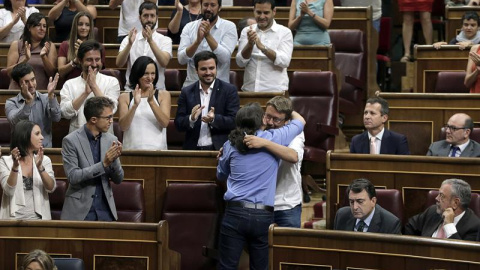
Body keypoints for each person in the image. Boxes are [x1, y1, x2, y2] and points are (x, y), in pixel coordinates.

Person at [217, 102, 305, 269]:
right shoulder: (274, 137)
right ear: (262, 120)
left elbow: (220, 175)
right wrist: (286, 108)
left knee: (226, 266)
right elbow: (300, 121)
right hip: (262, 215)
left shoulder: (229, 145)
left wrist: (223, 159)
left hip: (235, 212)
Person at [242, 96, 305, 227]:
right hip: (260, 204)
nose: (270, 122)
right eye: (268, 116)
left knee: (287, 246)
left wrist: (265, 143)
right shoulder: (259, 129)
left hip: (286, 205)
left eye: (276, 119)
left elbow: (293, 156)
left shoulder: (295, 133)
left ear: (287, 121)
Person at [61, 96, 124, 221]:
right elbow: (73, 176)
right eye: (108, 117)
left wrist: (114, 161)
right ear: (94, 119)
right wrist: (103, 164)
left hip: (105, 210)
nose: (111, 121)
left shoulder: (111, 139)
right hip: (80, 212)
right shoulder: (71, 141)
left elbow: (119, 179)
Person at [174, 51, 239, 150]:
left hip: (219, 149)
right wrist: (191, 118)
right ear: (196, 70)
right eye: (203, 69)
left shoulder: (229, 90)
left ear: (216, 68)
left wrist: (214, 119)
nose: (208, 73)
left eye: (211, 68)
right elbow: (178, 123)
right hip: (192, 149)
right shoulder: (186, 92)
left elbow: (234, 121)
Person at [60, 40, 120, 134]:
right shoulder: (69, 84)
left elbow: (112, 109)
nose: (94, 64)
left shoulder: (112, 82)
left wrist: (94, 86)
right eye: (89, 60)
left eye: (97, 60)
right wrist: (85, 93)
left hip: (105, 138)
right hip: (78, 138)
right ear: (80, 61)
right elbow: (65, 113)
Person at [0, 120, 56, 220]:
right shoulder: (5, 161)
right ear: (25, 136)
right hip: (12, 221)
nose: (42, 137)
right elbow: (9, 190)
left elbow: (51, 188)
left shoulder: (44, 160)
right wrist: (15, 167)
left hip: (39, 220)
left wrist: (40, 168)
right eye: (37, 134)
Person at [236, 0, 293, 92]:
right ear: (254, 10)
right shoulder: (246, 31)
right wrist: (250, 45)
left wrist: (263, 48)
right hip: (250, 89)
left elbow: (285, 62)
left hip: (275, 91)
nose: (262, 16)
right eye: (258, 12)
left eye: (266, 13)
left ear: (274, 11)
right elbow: (240, 62)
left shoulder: (285, 32)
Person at [177, 0, 237, 87]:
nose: (208, 9)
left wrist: (208, 36)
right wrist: (197, 42)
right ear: (201, 6)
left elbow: (225, 58)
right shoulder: (189, 27)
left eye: (213, 5)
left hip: (219, 87)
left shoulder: (229, 27)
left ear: (219, 7)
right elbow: (181, 59)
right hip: (192, 86)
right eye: (205, 5)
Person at [116, 2, 172, 91]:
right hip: (132, 90)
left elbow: (164, 62)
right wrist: (129, 44)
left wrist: (150, 41)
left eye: (152, 16)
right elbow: (119, 63)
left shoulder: (165, 40)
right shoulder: (129, 39)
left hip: (157, 90)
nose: (149, 19)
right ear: (139, 17)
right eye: (145, 15)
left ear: (157, 18)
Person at [118, 56, 171, 150]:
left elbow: (164, 123)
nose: (150, 78)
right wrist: (134, 105)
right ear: (138, 74)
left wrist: (151, 102)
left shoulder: (164, 95)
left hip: (158, 151)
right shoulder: (125, 97)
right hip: (131, 150)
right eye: (146, 74)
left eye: (153, 73)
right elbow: (123, 127)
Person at [405, 179, 480, 241]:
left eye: (441, 196)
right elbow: (409, 227)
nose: (436, 198)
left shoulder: (474, 227)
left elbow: (462, 255)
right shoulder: (432, 211)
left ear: (455, 203)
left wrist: (449, 225)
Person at [6, 63, 61, 148]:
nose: (31, 85)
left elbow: (56, 118)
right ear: (18, 84)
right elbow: (15, 121)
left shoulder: (46, 98)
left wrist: (51, 96)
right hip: (21, 151)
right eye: (26, 82)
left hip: (44, 150)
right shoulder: (11, 103)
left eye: (33, 80)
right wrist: (28, 102)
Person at [6, 13, 57, 91]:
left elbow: (52, 74)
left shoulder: (49, 46)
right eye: (38, 25)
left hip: (40, 93)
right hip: (18, 92)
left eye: (44, 26)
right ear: (29, 27)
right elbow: (9, 73)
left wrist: (44, 57)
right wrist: (25, 59)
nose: (42, 28)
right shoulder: (17, 45)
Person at [333, 178, 402, 234]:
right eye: (351, 202)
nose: (355, 207)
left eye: (360, 201)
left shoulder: (390, 223)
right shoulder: (341, 215)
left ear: (373, 201)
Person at [57, 12, 106, 81]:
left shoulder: (98, 47)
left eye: (87, 25)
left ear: (91, 28)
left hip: (93, 83)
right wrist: (75, 61)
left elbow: (100, 72)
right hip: (71, 86)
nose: (83, 27)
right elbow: (61, 72)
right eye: (80, 24)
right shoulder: (65, 45)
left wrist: (84, 51)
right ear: (75, 26)